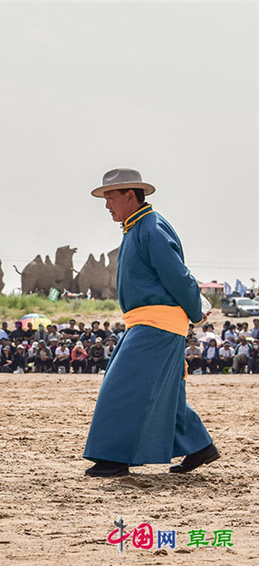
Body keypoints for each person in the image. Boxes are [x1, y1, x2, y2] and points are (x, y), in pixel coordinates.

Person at [84, 168, 218, 477]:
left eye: (110, 197)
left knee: (122, 387)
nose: (107, 205)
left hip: (156, 325)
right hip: (146, 323)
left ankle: (114, 457)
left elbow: (178, 275)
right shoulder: (137, 228)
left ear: (130, 196)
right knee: (162, 391)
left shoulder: (151, 228)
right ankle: (198, 445)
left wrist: (196, 311)